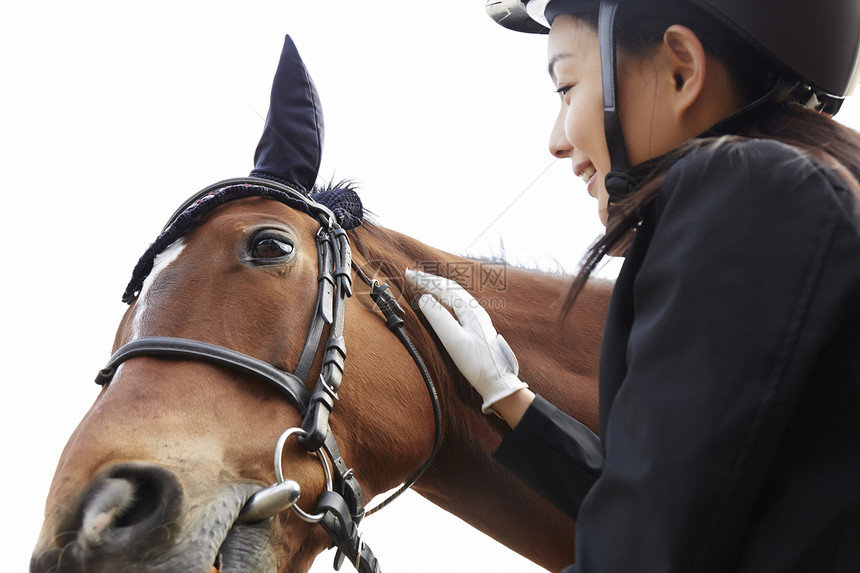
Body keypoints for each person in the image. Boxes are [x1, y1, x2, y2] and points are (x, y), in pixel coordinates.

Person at [405, 0, 860, 570]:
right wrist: (509, 398)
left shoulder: (747, 191)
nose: (557, 141)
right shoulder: (803, 191)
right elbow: (686, 507)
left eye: (565, 87)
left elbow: (644, 554)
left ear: (681, 71)